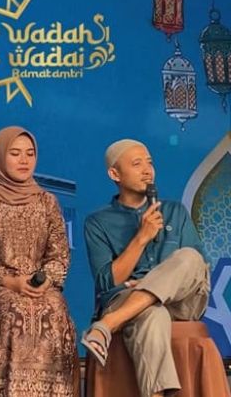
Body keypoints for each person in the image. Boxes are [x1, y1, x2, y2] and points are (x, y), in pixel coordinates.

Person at [83, 139, 211, 397]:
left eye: (149, 163)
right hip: (129, 300)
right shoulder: (98, 222)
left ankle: (107, 324)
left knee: (189, 256)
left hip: (181, 302)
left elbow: (196, 267)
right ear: (115, 174)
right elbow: (107, 283)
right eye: (137, 164)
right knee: (152, 314)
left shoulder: (175, 211)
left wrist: (146, 284)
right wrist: (141, 238)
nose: (147, 170)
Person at [0, 126, 79, 397]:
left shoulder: (47, 201)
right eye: (15, 154)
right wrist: (11, 282)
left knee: (54, 306)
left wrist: (45, 279)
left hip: (37, 285)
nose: (24, 160)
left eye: (30, 153)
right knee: (13, 308)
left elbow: (59, 254)